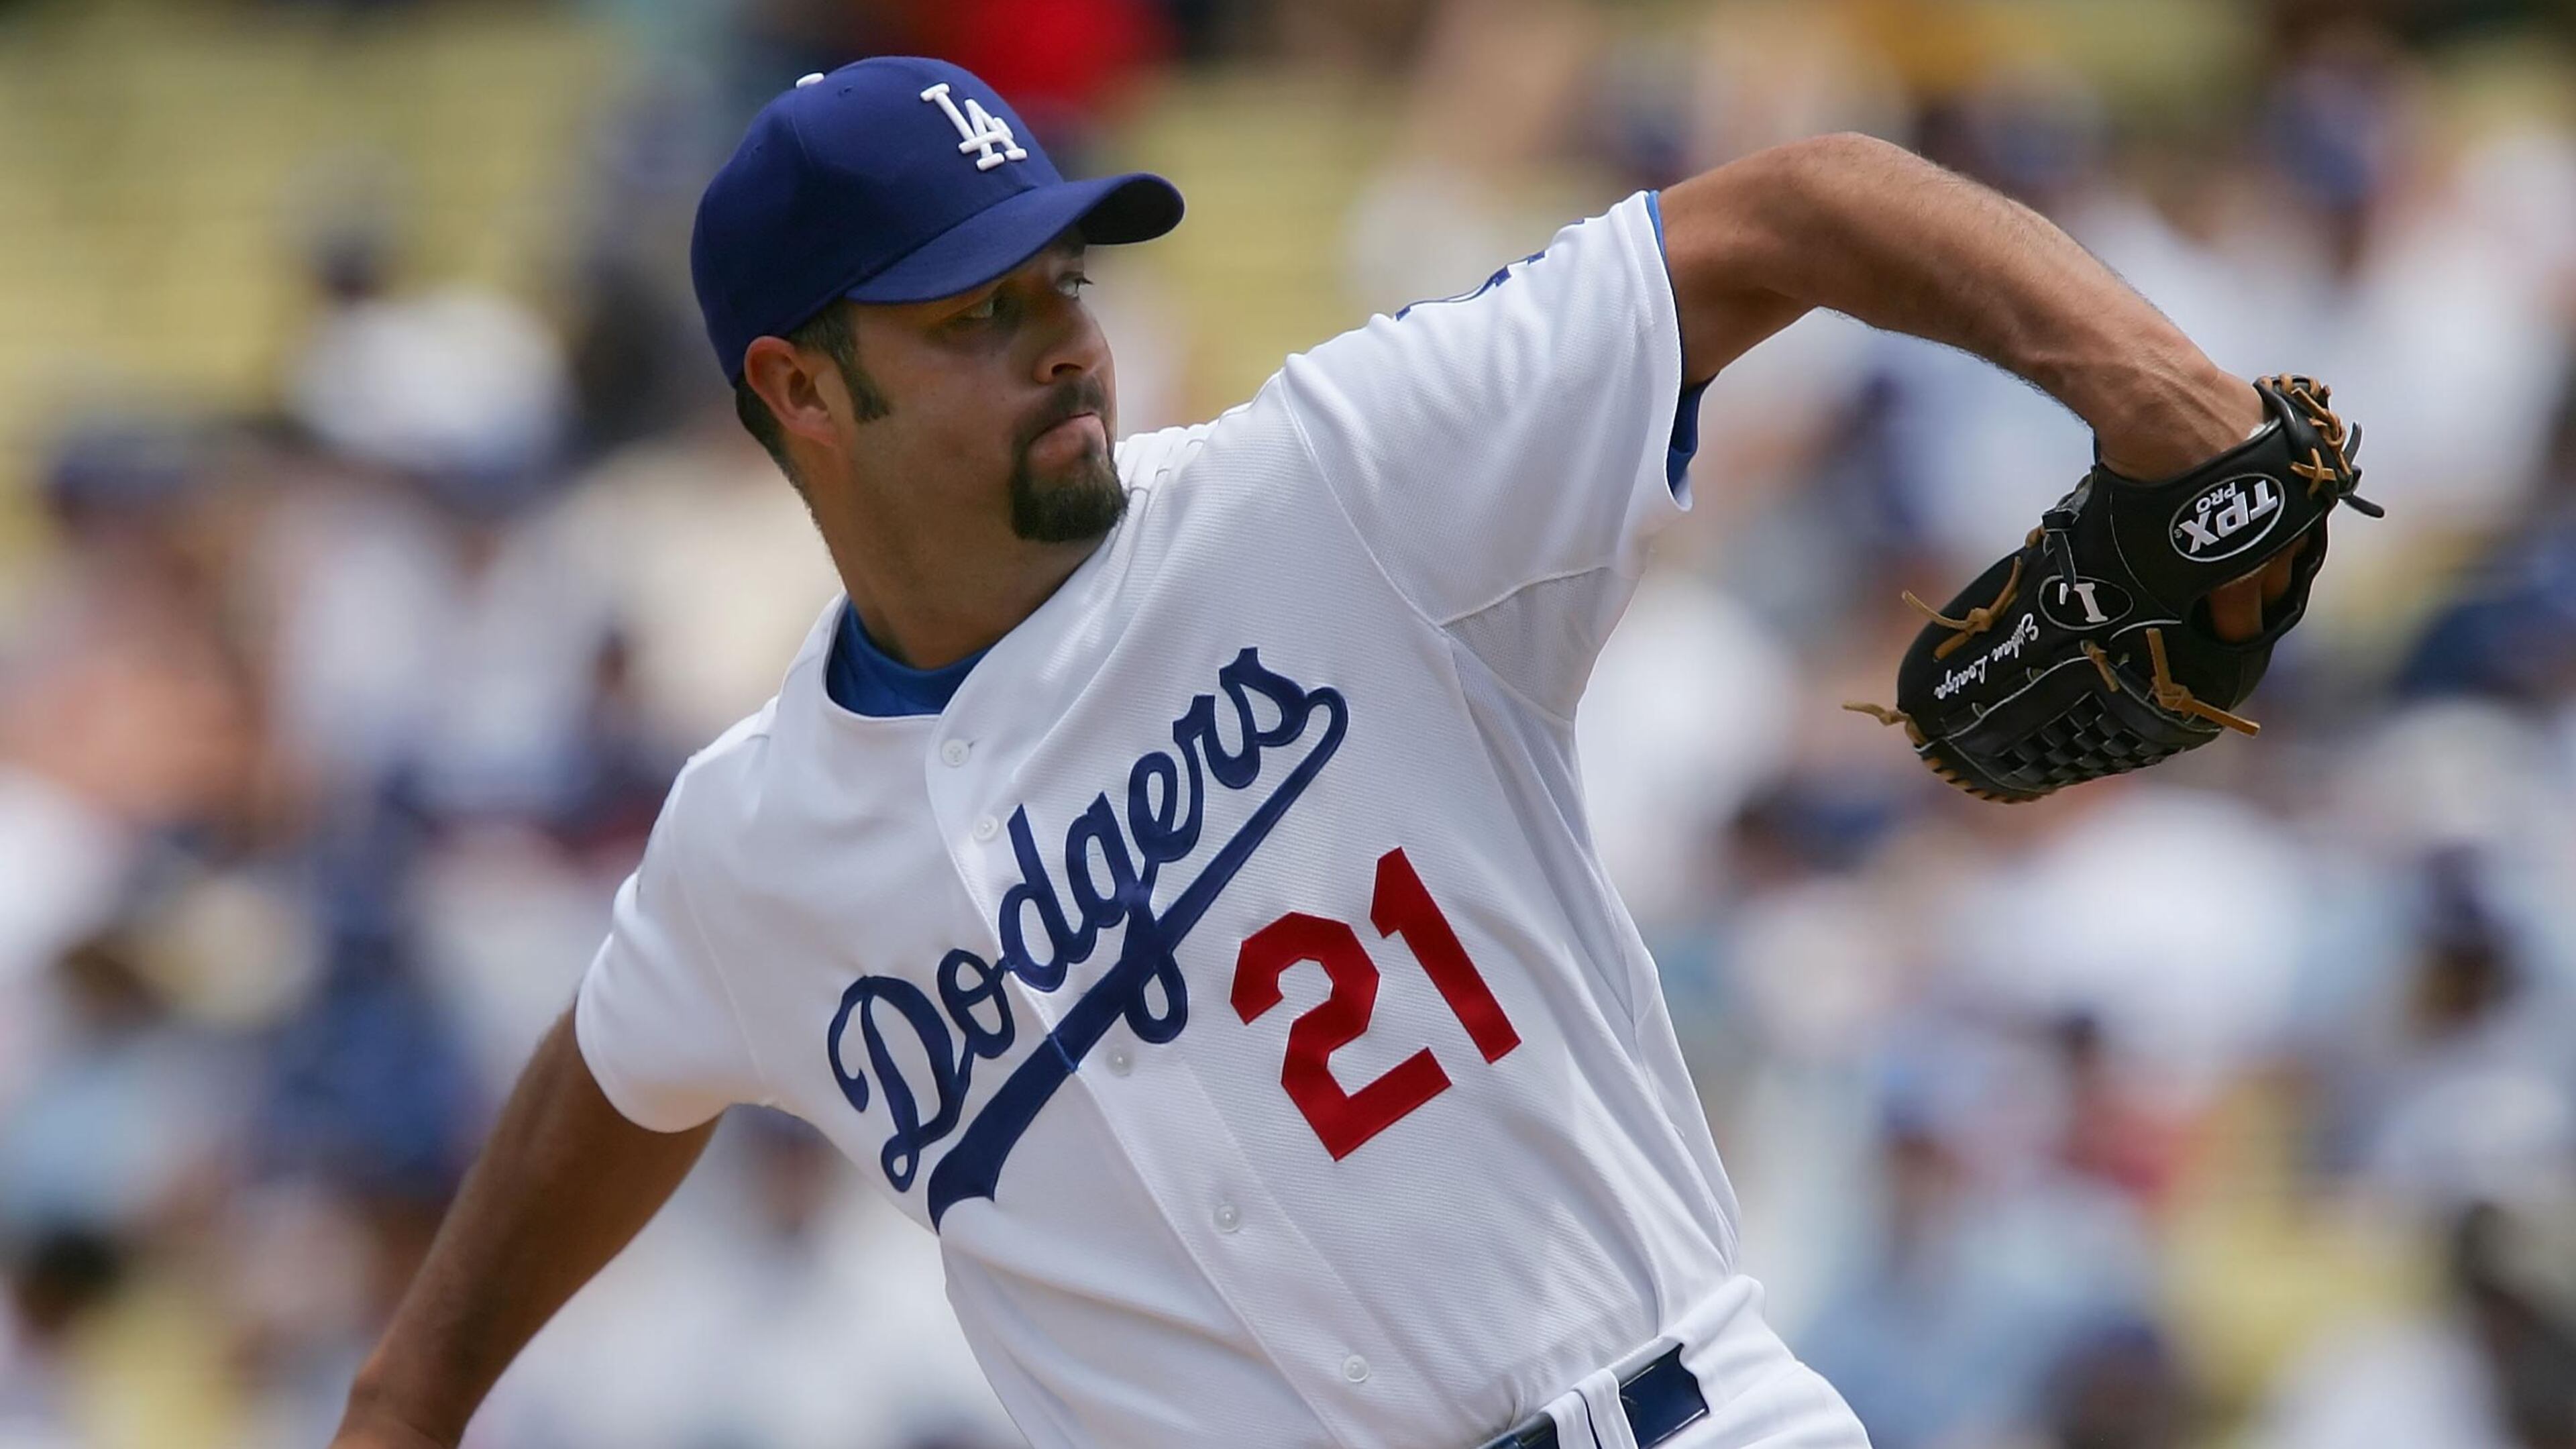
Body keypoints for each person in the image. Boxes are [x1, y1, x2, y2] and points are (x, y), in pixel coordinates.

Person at [329, 55, 2293, 1449]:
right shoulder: (751, 849)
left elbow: (1799, 210)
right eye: (978, 311)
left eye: (1065, 284)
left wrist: (2170, 404)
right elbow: (613, 1070)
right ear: (798, 386)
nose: (1066, 342)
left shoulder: (1332, 485)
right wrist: (405, 1400)